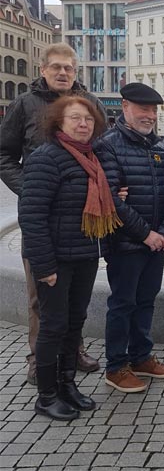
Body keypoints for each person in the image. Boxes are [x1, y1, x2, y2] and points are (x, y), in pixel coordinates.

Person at [0, 42, 104, 384]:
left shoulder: (90, 104)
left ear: (76, 72)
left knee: (76, 294)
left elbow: (104, 153)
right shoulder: (24, 104)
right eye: (56, 67)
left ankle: (73, 350)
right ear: (43, 70)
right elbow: (4, 154)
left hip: (81, 217)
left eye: (69, 68)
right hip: (41, 214)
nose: (62, 73)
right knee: (39, 293)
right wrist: (30, 190)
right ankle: (38, 357)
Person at [18, 96, 118, 420]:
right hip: (56, 260)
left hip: (85, 254)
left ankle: (67, 384)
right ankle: (47, 395)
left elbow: (97, 197)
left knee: (75, 322)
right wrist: (44, 266)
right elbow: (32, 217)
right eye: (75, 118)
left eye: (88, 119)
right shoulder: (46, 158)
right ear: (59, 122)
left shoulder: (90, 158)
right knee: (53, 325)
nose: (83, 124)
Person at [94, 82, 164, 393]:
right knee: (123, 303)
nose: (150, 115)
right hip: (126, 244)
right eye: (144, 109)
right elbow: (113, 201)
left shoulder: (158, 148)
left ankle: (141, 357)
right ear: (126, 107)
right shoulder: (108, 145)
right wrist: (146, 234)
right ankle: (116, 367)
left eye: (154, 110)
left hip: (156, 243)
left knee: (146, 302)